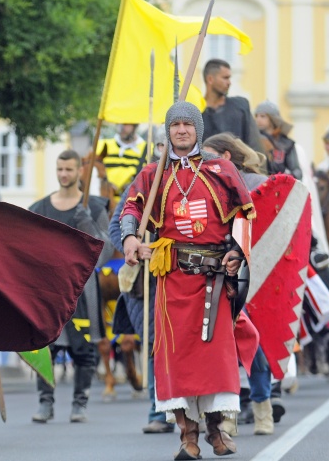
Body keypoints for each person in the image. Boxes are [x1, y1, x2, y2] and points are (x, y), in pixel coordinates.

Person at [122, 101, 254, 460]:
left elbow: (243, 214)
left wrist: (238, 252)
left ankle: (216, 432)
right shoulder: (154, 174)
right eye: (175, 124)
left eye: (187, 124)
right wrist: (131, 237)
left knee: (214, 360)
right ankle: (187, 436)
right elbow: (131, 207)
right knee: (176, 361)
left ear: (197, 128)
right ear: (168, 131)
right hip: (173, 281)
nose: (181, 130)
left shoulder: (220, 169)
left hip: (213, 279)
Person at [28, 149, 113, 424]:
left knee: (83, 349)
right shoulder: (39, 209)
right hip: (48, 291)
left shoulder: (95, 208)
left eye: (69, 170)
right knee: (44, 348)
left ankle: (80, 404)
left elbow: (106, 254)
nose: (64, 174)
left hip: (82, 291)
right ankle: (45, 403)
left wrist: (87, 221)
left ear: (79, 172)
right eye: (60, 169)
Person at [202, 133, 275, 436]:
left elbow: (271, 225)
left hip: (256, 273)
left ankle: (262, 408)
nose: (202, 163)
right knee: (225, 345)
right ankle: (228, 413)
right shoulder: (204, 186)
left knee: (253, 342)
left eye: (207, 156)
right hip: (220, 271)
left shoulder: (257, 185)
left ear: (226, 157)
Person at [109, 127, 175, 435]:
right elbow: (117, 225)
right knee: (153, 343)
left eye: (168, 144)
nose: (164, 149)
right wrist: (133, 241)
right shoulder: (141, 184)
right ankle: (157, 410)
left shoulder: (189, 182)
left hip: (180, 274)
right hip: (144, 281)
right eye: (159, 144)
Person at [201, 59, 265, 154]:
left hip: (238, 167)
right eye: (225, 78)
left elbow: (255, 144)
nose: (229, 82)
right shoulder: (197, 111)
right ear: (210, 79)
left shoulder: (240, 107)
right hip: (204, 167)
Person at [96, 123, 149, 196]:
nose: (121, 127)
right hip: (104, 201)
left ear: (135, 126)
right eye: (119, 123)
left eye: (126, 124)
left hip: (132, 201)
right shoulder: (101, 145)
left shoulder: (149, 149)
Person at [254, 101, 302, 179]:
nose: (258, 119)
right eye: (256, 116)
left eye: (262, 116)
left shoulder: (286, 143)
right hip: (258, 184)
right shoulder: (253, 139)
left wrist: (286, 179)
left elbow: (297, 171)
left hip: (278, 185)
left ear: (273, 118)